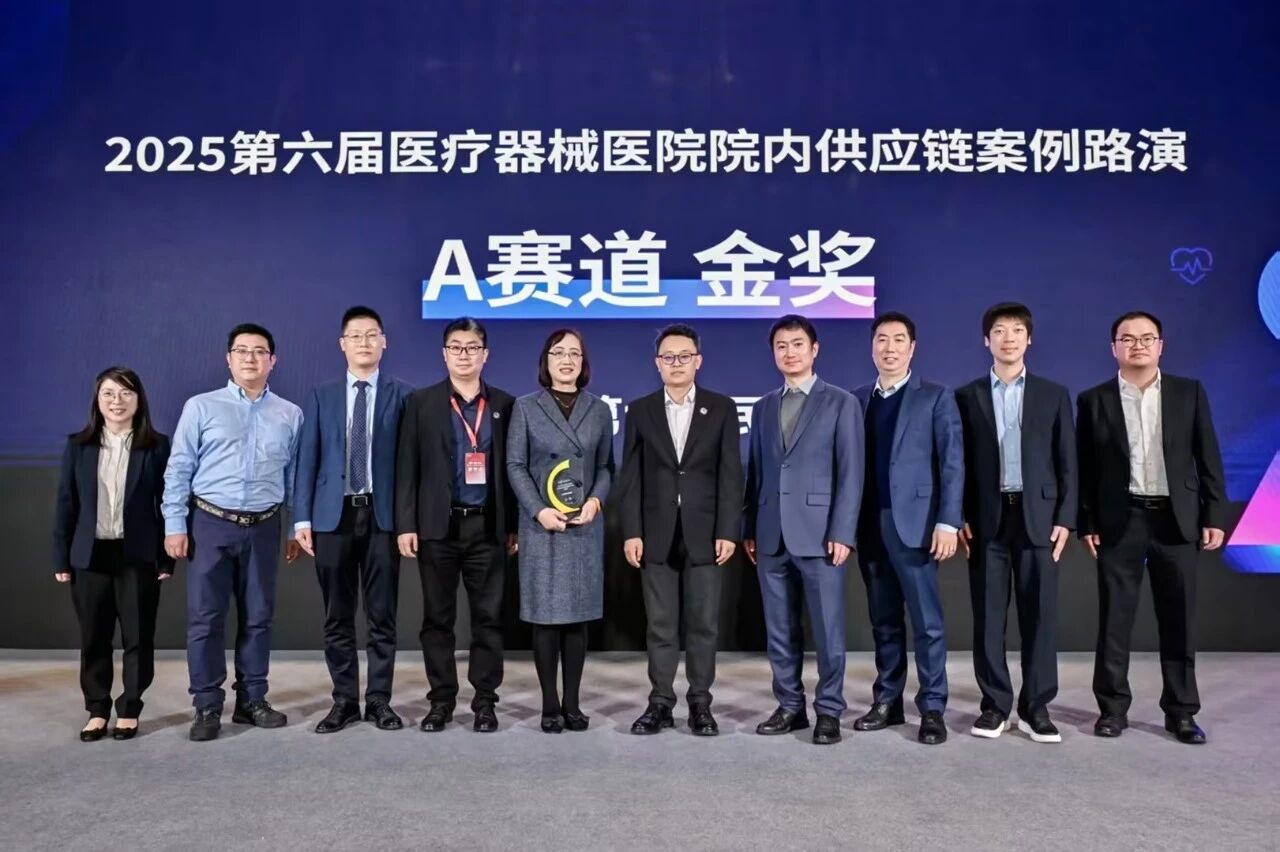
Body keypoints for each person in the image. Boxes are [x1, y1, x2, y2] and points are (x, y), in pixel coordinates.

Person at [1077, 311, 1226, 745]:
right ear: (1114, 348)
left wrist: (1214, 515)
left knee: (1179, 619)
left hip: (1175, 519)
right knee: (1114, 619)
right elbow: (1085, 468)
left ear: (1161, 345)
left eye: (1147, 338)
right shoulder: (1093, 399)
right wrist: (1087, 521)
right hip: (1120, 519)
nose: (1137, 345)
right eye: (1127, 339)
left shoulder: (1188, 392)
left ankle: (1181, 712)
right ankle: (1112, 709)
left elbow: (1208, 457)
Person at [163, 323, 303, 742]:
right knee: (206, 618)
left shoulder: (290, 414)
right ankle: (207, 705)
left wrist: (295, 527)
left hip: (264, 526)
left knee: (258, 617)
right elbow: (179, 468)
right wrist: (175, 524)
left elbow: (294, 478)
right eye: (242, 351)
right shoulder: (201, 407)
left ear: (272, 361)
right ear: (228, 359)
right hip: (210, 524)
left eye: (260, 351)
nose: (250, 358)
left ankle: (252, 700)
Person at [955, 302, 1076, 743]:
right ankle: (994, 706)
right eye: (1000, 331)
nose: (1008, 338)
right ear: (986, 340)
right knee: (989, 619)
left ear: (1029, 339)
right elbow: (956, 463)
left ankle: (1036, 708)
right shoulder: (965, 396)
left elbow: (1068, 461)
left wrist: (1066, 517)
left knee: (1039, 616)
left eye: (1017, 330)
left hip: (1038, 517)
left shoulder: (1053, 394)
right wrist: (957, 515)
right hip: (986, 519)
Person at [617, 323, 743, 736]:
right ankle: (660, 702)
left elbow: (730, 473)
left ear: (698, 361)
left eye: (684, 356)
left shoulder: (721, 408)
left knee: (703, 624)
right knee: (660, 625)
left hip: (705, 533)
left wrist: (728, 529)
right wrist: (632, 531)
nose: (676, 363)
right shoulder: (640, 410)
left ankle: (700, 704)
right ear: (657, 363)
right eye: (668, 357)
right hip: (655, 532)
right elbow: (630, 477)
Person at [743, 314, 863, 746]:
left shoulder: (841, 402)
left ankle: (829, 710)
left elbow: (851, 472)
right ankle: (790, 706)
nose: (789, 353)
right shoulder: (763, 406)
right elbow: (756, 471)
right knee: (779, 629)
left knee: (828, 629)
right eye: (781, 346)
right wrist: (749, 526)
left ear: (814, 350)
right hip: (770, 534)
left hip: (821, 535)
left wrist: (843, 531)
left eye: (797, 344)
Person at [293, 306, 414, 733]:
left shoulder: (404, 396)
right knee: (337, 615)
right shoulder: (321, 395)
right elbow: (307, 460)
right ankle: (344, 700)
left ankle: (379, 699)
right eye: (355, 336)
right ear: (342, 344)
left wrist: (408, 521)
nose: (364, 342)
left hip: (382, 517)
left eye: (371, 334)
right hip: (333, 517)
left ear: (384, 342)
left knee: (382, 615)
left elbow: (409, 466)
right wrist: (301, 518)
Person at [396, 317, 517, 733]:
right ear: (444, 353)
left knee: (488, 620)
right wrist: (406, 524)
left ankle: (485, 702)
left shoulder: (505, 405)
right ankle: (441, 701)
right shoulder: (421, 403)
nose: (464, 355)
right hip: (438, 529)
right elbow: (407, 468)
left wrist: (513, 526)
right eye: (456, 347)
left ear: (486, 354)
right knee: (437, 620)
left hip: (487, 528)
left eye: (472, 347)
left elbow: (513, 471)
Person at [852, 312, 963, 746]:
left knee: (926, 622)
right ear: (871, 347)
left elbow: (952, 463)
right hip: (869, 524)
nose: (890, 348)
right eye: (882, 339)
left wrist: (948, 521)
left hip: (917, 525)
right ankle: (888, 700)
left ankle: (932, 707)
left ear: (912, 348)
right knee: (883, 620)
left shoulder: (935, 397)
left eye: (899, 340)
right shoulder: (857, 399)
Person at [53, 367, 172, 741]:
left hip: (137, 555)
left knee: (138, 637)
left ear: (139, 400)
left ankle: (130, 707)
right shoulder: (79, 446)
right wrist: (61, 558)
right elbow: (66, 504)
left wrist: (166, 557)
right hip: (90, 556)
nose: (116, 401)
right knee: (94, 638)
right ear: (97, 400)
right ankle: (97, 709)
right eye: (108, 393)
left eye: (125, 393)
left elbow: (168, 504)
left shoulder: (156, 446)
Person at [506, 329, 614, 733]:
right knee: (546, 619)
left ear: (583, 362)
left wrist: (596, 500)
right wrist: (538, 511)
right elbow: (515, 465)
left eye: (574, 354)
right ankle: (549, 704)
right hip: (543, 527)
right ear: (546, 361)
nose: (566, 360)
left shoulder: (598, 409)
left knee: (576, 619)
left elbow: (606, 467)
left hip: (583, 525)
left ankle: (572, 703)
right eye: (558, 353)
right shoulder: (525, 407)